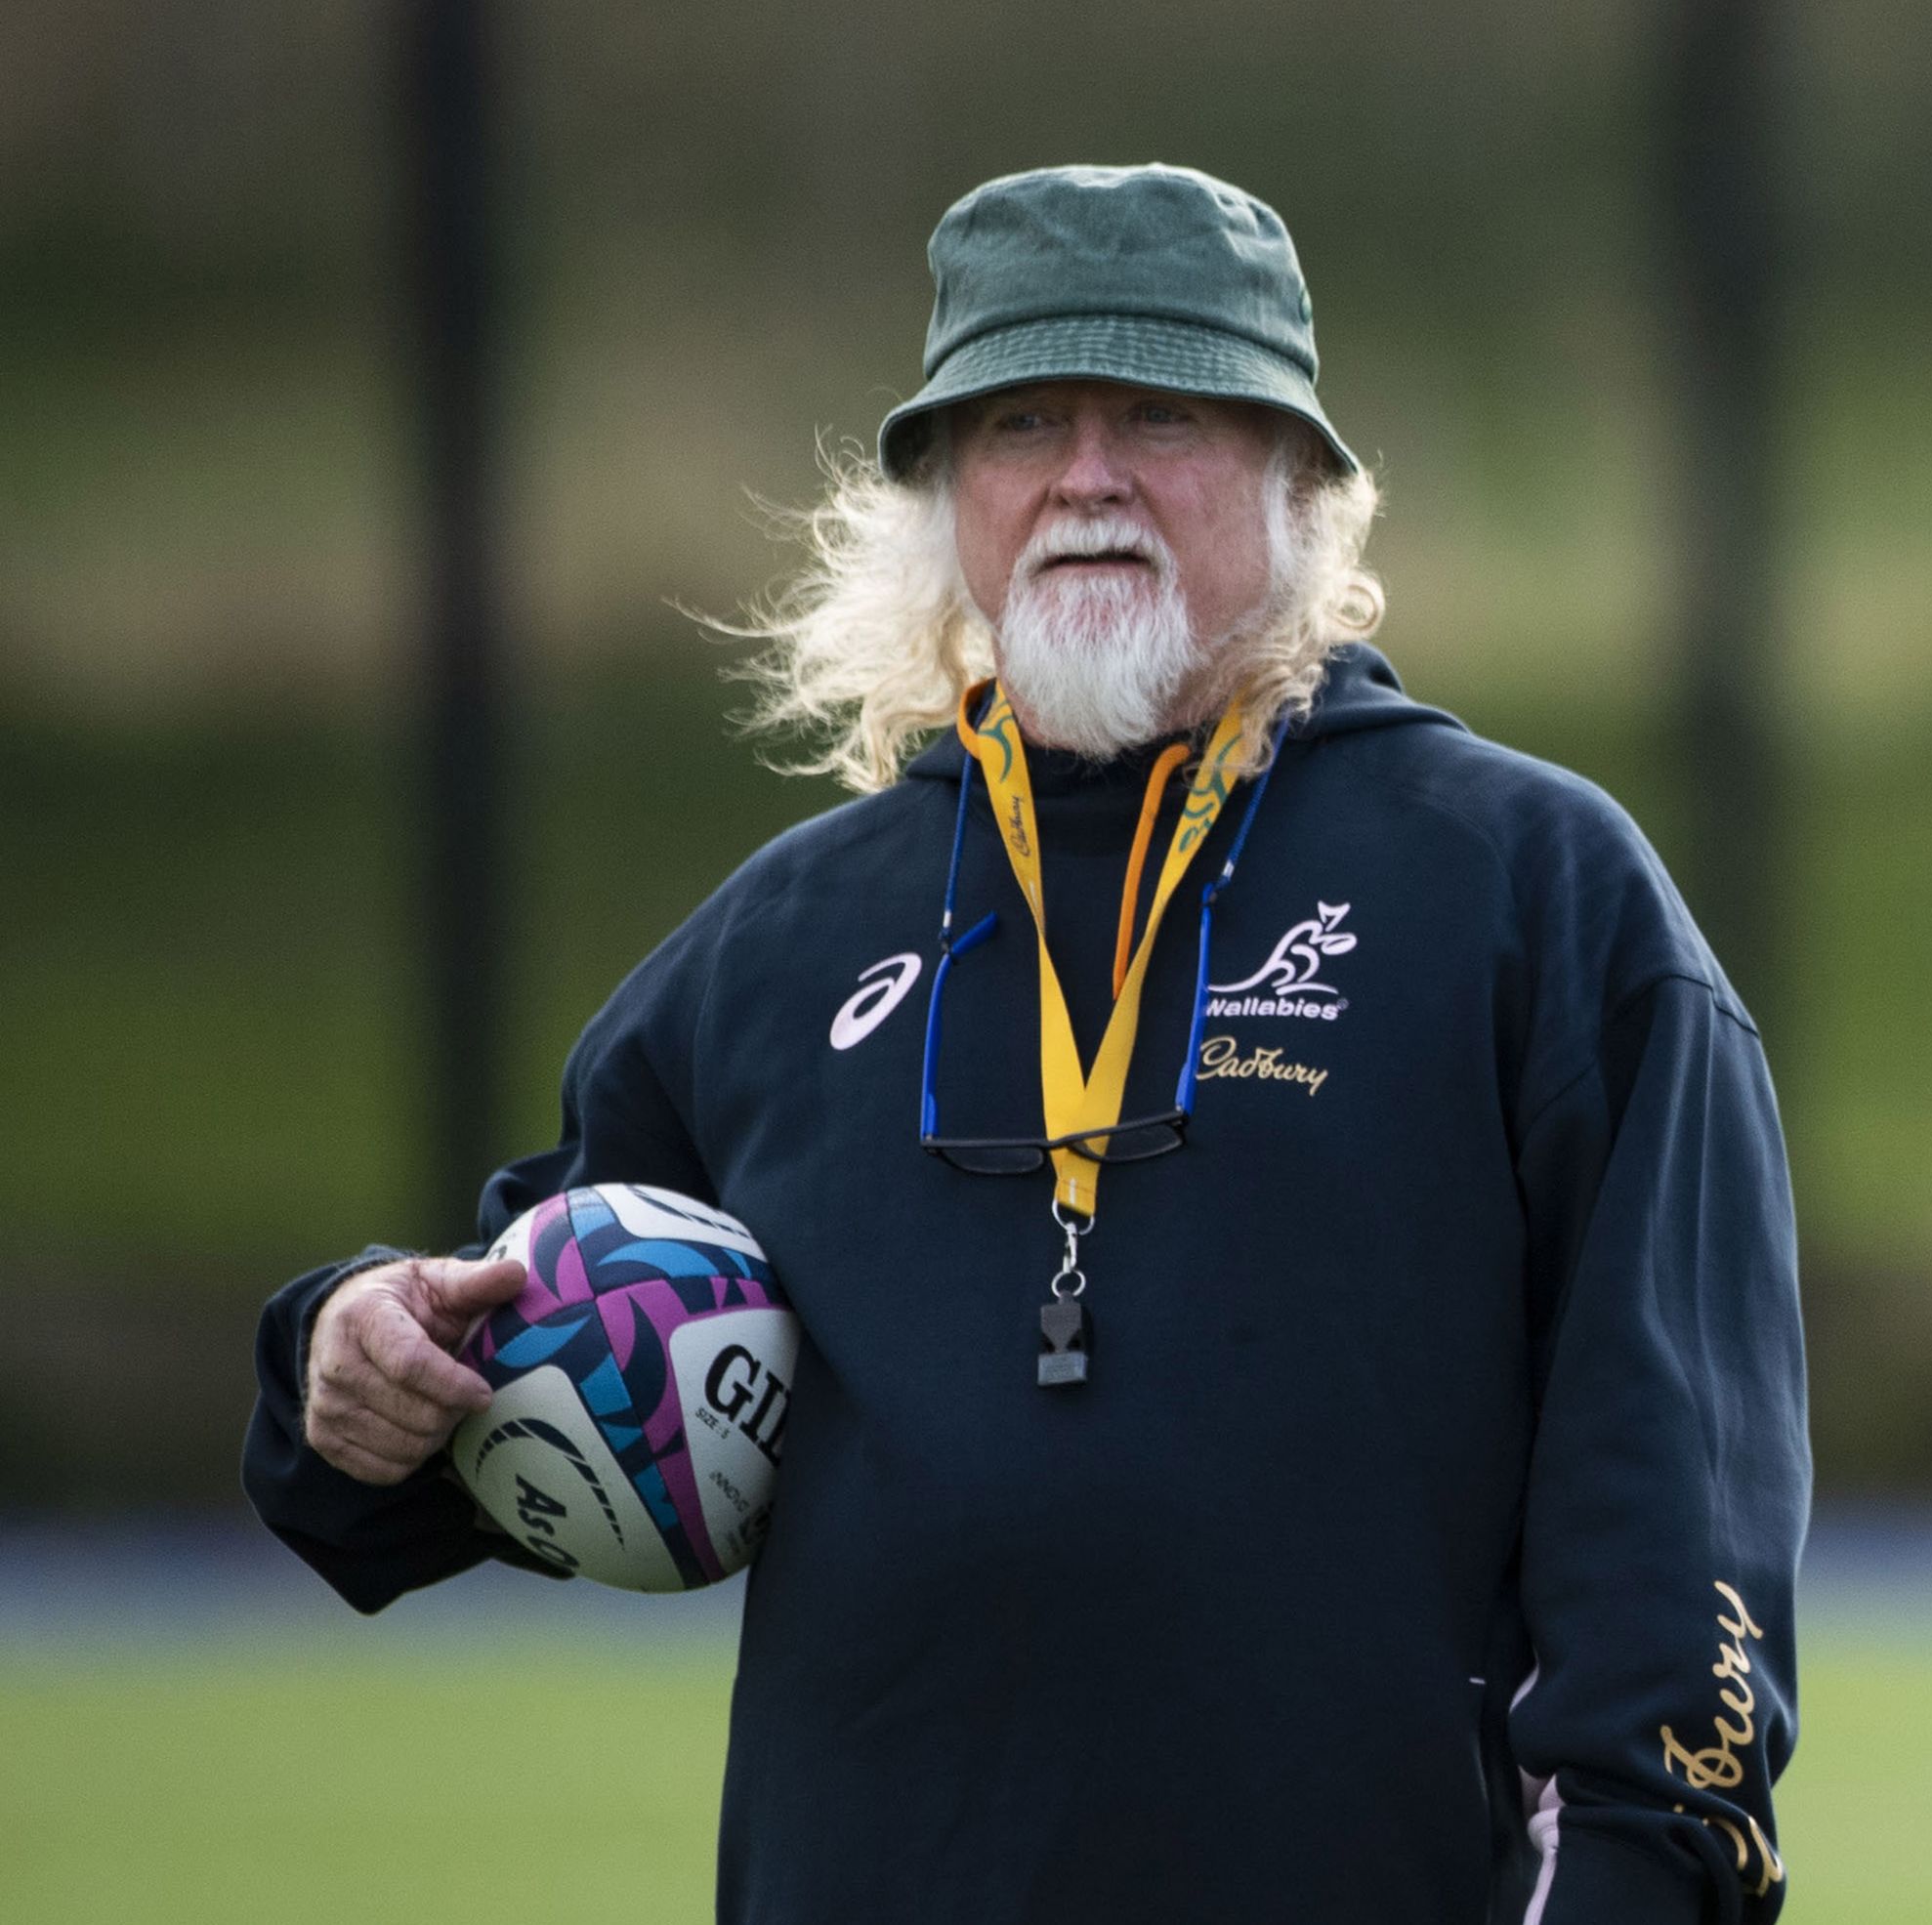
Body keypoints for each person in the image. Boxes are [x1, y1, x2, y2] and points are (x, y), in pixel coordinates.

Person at [244, 163, 1806, 1925]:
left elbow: (1683, 1499)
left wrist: (1640, 1876)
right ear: (941, 495)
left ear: (1300, 482)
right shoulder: (782, 943)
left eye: (1161, 412)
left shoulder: (1532, 893)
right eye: (1020, 422)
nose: (1087, 475)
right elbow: (519, 1317)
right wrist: (351, 1353)